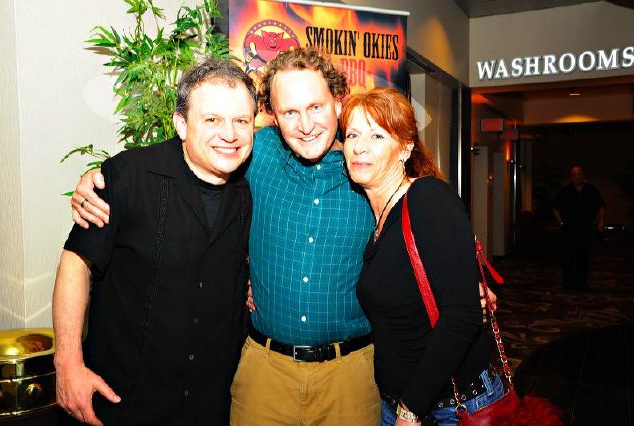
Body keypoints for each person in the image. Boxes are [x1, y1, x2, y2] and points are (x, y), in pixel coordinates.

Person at [69, 48, 495, 425]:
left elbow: (421, 240)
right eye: (289, 112)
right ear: (271, 117)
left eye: (316, 107)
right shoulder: (252, 154)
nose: (305, 124)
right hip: (264, 371)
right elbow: (195, 148)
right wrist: (103, 181)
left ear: (338, 103)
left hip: (352, 374)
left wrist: (460, 289)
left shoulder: (369, 173)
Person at [53, 58, 255, 425]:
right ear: (181, 124)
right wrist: (67, 363)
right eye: (212, 119)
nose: (230, 134)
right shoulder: (128, 175)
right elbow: (76, 262)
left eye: (241, 121)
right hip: (122, 401)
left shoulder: (252, 187)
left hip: (211, 404)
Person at [340, 87, 504, 425]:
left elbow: (462, 317)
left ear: (405, 148)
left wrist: (411, 409)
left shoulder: (427, 198)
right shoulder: (376, 215)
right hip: (400, 402)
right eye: (352, 134)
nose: (359, 147)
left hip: (451, 408)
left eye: (377, 135)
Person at [553, 166, 606, 291]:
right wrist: (561, 222)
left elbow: (601, 205)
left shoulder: (591, 190)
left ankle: (582, 284)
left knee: (583, 257)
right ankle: (568, 285)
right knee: (568, 258)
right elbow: (555, 207)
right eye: (574, 174)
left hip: (585, 228)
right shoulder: (565, 191)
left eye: (579, 174)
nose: (576, 177)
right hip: (569, 229)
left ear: (583, 175)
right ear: (571, 177)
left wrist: (601, 221)